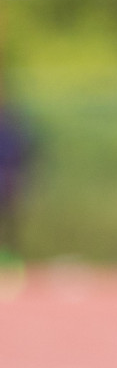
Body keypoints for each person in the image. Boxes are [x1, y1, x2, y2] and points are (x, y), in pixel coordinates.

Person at [0, 76, 35, 260]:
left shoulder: (12, 120)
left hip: (8, 178)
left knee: (11, 224)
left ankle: (10, 256)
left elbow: (23, 149)